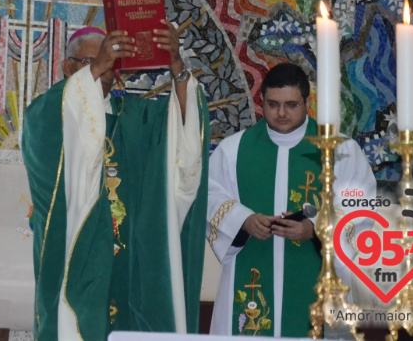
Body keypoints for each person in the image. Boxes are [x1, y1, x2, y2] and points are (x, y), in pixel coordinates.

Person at [21, 23, 210, 341]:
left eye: (110, 62)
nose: (104, 68)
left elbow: (182, 130)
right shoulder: (49, 115)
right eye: (90, 62)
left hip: (131, 263)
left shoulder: (134, 119)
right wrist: (97, 67)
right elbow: (46, 127)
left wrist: (177, 65)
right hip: (79, 261)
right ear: (69, 68)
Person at [206, 62, 375, 337]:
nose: (281, 113)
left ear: (308, 102)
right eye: (272, 104)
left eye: (291, 105)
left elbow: (361, 207)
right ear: (261, 102)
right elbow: (211, 195)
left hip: (315, 277)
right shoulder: (234, 150)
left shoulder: (341, 150)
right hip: (251, 272)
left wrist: (315, 228)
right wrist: (244, 220)